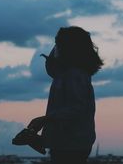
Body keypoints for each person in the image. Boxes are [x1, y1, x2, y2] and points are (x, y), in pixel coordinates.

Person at [27, 26, 103, 164]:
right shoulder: (68, 74)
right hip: (69, 144)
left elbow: (77, 109)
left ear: (68, 48)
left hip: (71, 146)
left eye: (58, 44)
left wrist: (45, 120)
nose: (55, 48)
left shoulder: (74, 75)